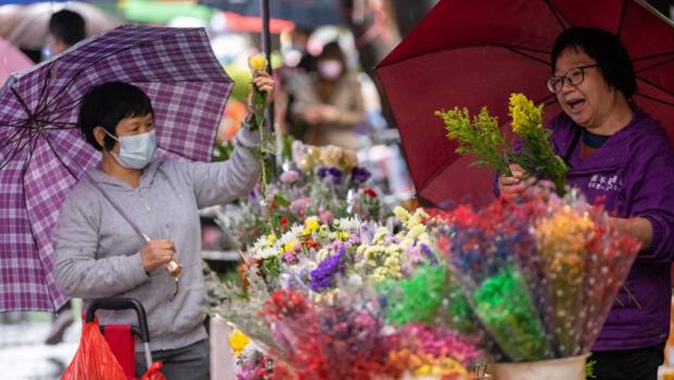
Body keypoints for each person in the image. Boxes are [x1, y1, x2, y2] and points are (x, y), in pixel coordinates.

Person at [52, 73, 274, 379]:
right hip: (121, 351)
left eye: (149, 125)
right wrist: (138, 264)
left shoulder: (176, 174)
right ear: (103, 136)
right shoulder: (85, 200)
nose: (146, 135)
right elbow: (70, 276)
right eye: (134, 129)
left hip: (190, 346)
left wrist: (253, 121)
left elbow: (236, 178)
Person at [499, 27, 674, 380]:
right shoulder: (557, 133)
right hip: (558, 328)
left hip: (624, 338)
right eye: (558, 80)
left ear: (610, 71)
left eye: (576, 74)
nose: (565, 88)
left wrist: (612, 229)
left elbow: (665, 231)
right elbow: (512, 176)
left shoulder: (649, 147)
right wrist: (508, 181)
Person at [42, 9, 87, 345]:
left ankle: (61, 308)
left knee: (56, 242)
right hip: (97, 171)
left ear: (54, 39)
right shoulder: (95, 70)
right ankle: (88, 315)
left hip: (57, 174)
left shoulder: (48, 78)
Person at [289, 41, 366, 150]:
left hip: (342, 147)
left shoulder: (351, 83)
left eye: (333, 59)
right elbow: (296, 108)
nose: (329, 63)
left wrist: (336, 115)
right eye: (326, 59)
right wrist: (306, 113)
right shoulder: (313, 82)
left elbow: (361, 116)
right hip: (314, 146)